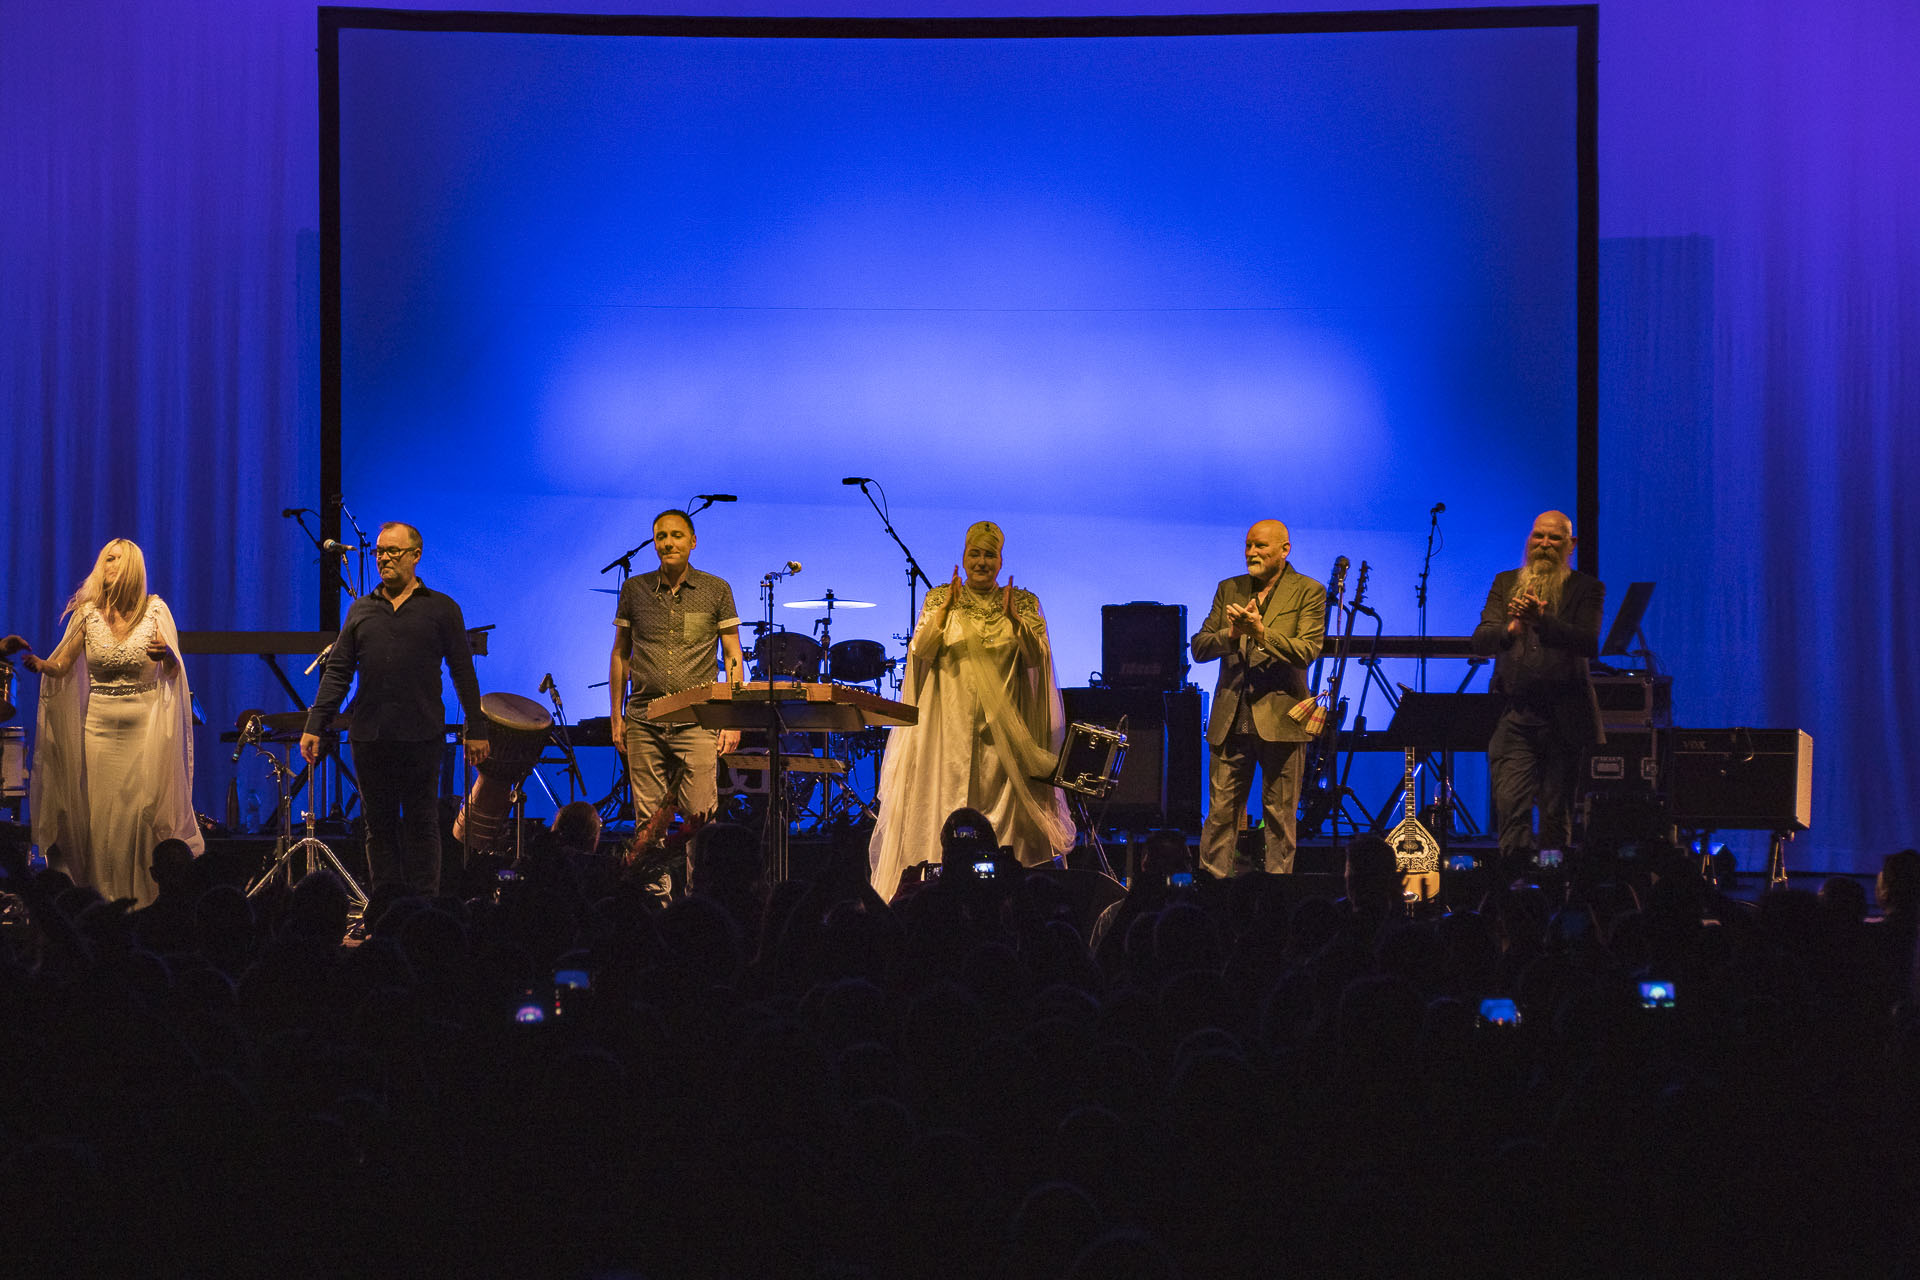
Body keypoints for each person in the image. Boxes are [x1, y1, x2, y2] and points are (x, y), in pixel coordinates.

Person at [869, 521, 1073, 900]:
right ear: (962, 558)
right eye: (974, 553)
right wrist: (943, 612)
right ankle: (938, 892)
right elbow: (921, 653)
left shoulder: (1025, 602)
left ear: (1001, 560)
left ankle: (1011, 895)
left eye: (989, 554)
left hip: (1005, 734)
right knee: (951, 794)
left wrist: (1016, 621)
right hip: (950, 729)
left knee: (1007, 811)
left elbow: (1037, 660)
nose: (981, 562)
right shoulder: (939, 598)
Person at [6, 538, 203, 904]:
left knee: (137, 813)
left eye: (116, 559)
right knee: (100, 814)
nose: (108, 565)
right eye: (105, 559)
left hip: (143, 728)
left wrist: (166, 657)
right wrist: (40, 664)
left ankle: (142, 900)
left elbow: (175, 668)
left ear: (132, 567)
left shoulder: (155, 610)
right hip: (98, 728)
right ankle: (102, 899)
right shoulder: (87, 614)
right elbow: (62, 663)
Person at [301, 522, 488, 899]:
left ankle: (423, 910)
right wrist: (315, 725)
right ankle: (385, 908)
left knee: (422, 825)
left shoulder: (442, 609)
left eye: (393, 551)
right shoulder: (361, 610)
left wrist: (477, 727)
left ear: (415, 556)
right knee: (378, 827)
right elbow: (338, 672)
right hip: (370, 736)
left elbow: (462, 671)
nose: (384, 558)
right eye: (380, 551)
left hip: (421, 735)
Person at [1191, 519, 1325, 878]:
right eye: (1248, 545)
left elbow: (1307, 650)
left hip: (1282, 721)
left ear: (1285, 549)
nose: (1251, 552)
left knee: (1280, 818)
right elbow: (1199, 647)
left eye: (1261, 546)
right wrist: (1232, 633)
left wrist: (1263, 634)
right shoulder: (1228, 589)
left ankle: (1276, 902)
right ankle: (1213, 896)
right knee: (1220, 816)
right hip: (1231, 719)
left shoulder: (1309, 591)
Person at [1471, 510, 1604, 871]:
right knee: (1510, 808)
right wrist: (1512, 628)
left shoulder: (1586, 588)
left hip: (1563, 721)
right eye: (1538, 537)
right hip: (1514, 718)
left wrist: (1541, 619)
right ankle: (1514, 886)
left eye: (1554, 538)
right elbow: (1481, 640)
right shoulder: (1505, 582)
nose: (1544, 544)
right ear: (1529, 540)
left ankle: (1550, 885)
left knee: (1554, 816)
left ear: (1570, 545)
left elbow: (1588, 643)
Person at [609, 509, 747, 850]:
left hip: (697, 719)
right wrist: (616, 716)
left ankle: (700, 899)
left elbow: (732, 653)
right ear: (654, 544)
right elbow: (619, 655)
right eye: (661, 536)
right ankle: (653, 899)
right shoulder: (634, 589)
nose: (668, 542)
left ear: (693, 542)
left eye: (676, 535)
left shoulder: (716, 589)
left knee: (701, 821)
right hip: (645, 718)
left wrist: (731, 717)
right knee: (648, 824)